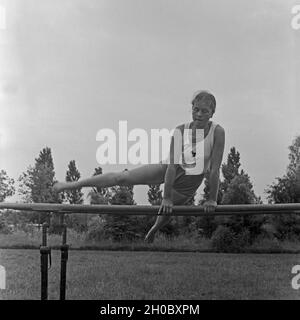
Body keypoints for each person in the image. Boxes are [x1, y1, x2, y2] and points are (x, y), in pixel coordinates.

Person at [53, 90, 225, 242]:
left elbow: (215, 169)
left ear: (212, 113)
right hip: (169, 169)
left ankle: (153, 230)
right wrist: (165, 196)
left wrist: (212, 199)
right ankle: (71, 185)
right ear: (192, 108)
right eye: (196, 109)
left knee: (166, 211)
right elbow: (171, 166)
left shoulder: (217, 132)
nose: (199, 114)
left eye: (205, 111)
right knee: (123, 177)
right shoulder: (181, 130)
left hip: (190, 182)